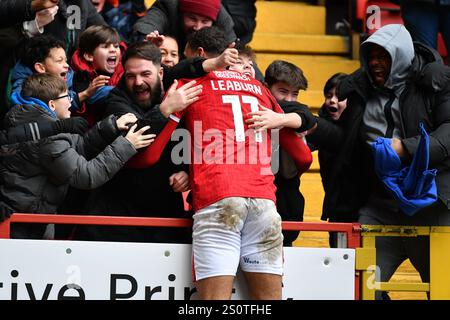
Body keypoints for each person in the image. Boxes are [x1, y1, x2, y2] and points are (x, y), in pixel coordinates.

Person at [129, 54, 313, 299]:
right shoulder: (260, 89)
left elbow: (149, 157)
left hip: (218, 197)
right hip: (263, 201)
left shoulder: (189, 86)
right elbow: (304, 157)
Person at [307, 24, 450, 299]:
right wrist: (309, 124)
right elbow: (339, 136)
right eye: (370, 56)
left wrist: (406, 149)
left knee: (443, 290)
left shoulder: (438, 82)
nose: (375, 63)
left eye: (383, 56)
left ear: (402, 55)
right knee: (355, 289)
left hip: (429, 204)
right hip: (378, 206)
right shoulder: (357, 90)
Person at [72, 42, 202, 243]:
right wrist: (164, 111)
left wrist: (187, 170)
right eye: (131, 76)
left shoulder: (180, 95)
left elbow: (196, 140)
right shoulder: (117, 99)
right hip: (115, 217)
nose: (138, 82)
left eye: (145, 74)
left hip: (164, 216)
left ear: (160, 73)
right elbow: (138, 138)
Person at [0, 72, 154, 238]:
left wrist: (112, 126)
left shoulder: (31, 123)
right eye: (67, 97)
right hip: (20, 228)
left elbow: (78, 147)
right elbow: (88, 175)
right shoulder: (49, 139)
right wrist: (127, 145)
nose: (71, 102)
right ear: (52, 105)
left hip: (22, 221)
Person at [264, 59, 311, 247]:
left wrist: (281, 118)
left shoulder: (299, 114)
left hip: (287, 198)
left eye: (295, 94)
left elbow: (307, 116)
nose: (290, 99)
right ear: (267, 88)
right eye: (283, 92)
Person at [314, 72, 352, 247]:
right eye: (328, 96)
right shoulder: (322, 125)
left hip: (357, 210)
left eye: (339, 96)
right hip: (336, 209)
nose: (332, 100)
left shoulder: (358, 128)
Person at [132, 0, 236, 57]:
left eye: (205, 21)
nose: (198, 27)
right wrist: (146, 41)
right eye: (192, 19)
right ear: (181, 14)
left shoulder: (222, 18)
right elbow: (148, 24)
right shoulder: (168, 5)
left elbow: (234, 46)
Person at [71, 25, 126, 126]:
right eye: (105, 47)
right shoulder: (76, 77)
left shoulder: (126, 70)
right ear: (89, 56)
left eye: (116, 46)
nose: (113, 50)